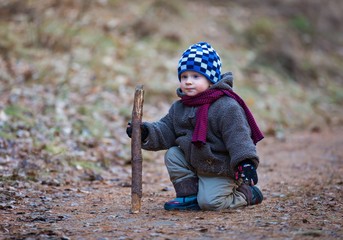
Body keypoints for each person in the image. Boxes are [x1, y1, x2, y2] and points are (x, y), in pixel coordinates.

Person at [126, 42, 264, 211]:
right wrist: (145, 132)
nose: (188, 82)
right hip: (195, 162)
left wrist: (246, 164)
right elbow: (166, 129)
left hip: (220, 167)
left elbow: (238, 137)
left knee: (211, 203)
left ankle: (246, 193)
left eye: (195, 77)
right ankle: (189, 195)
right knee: (173, 154)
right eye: (184, 77)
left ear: (211, 79)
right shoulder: (180, 107)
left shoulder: (227, 106)